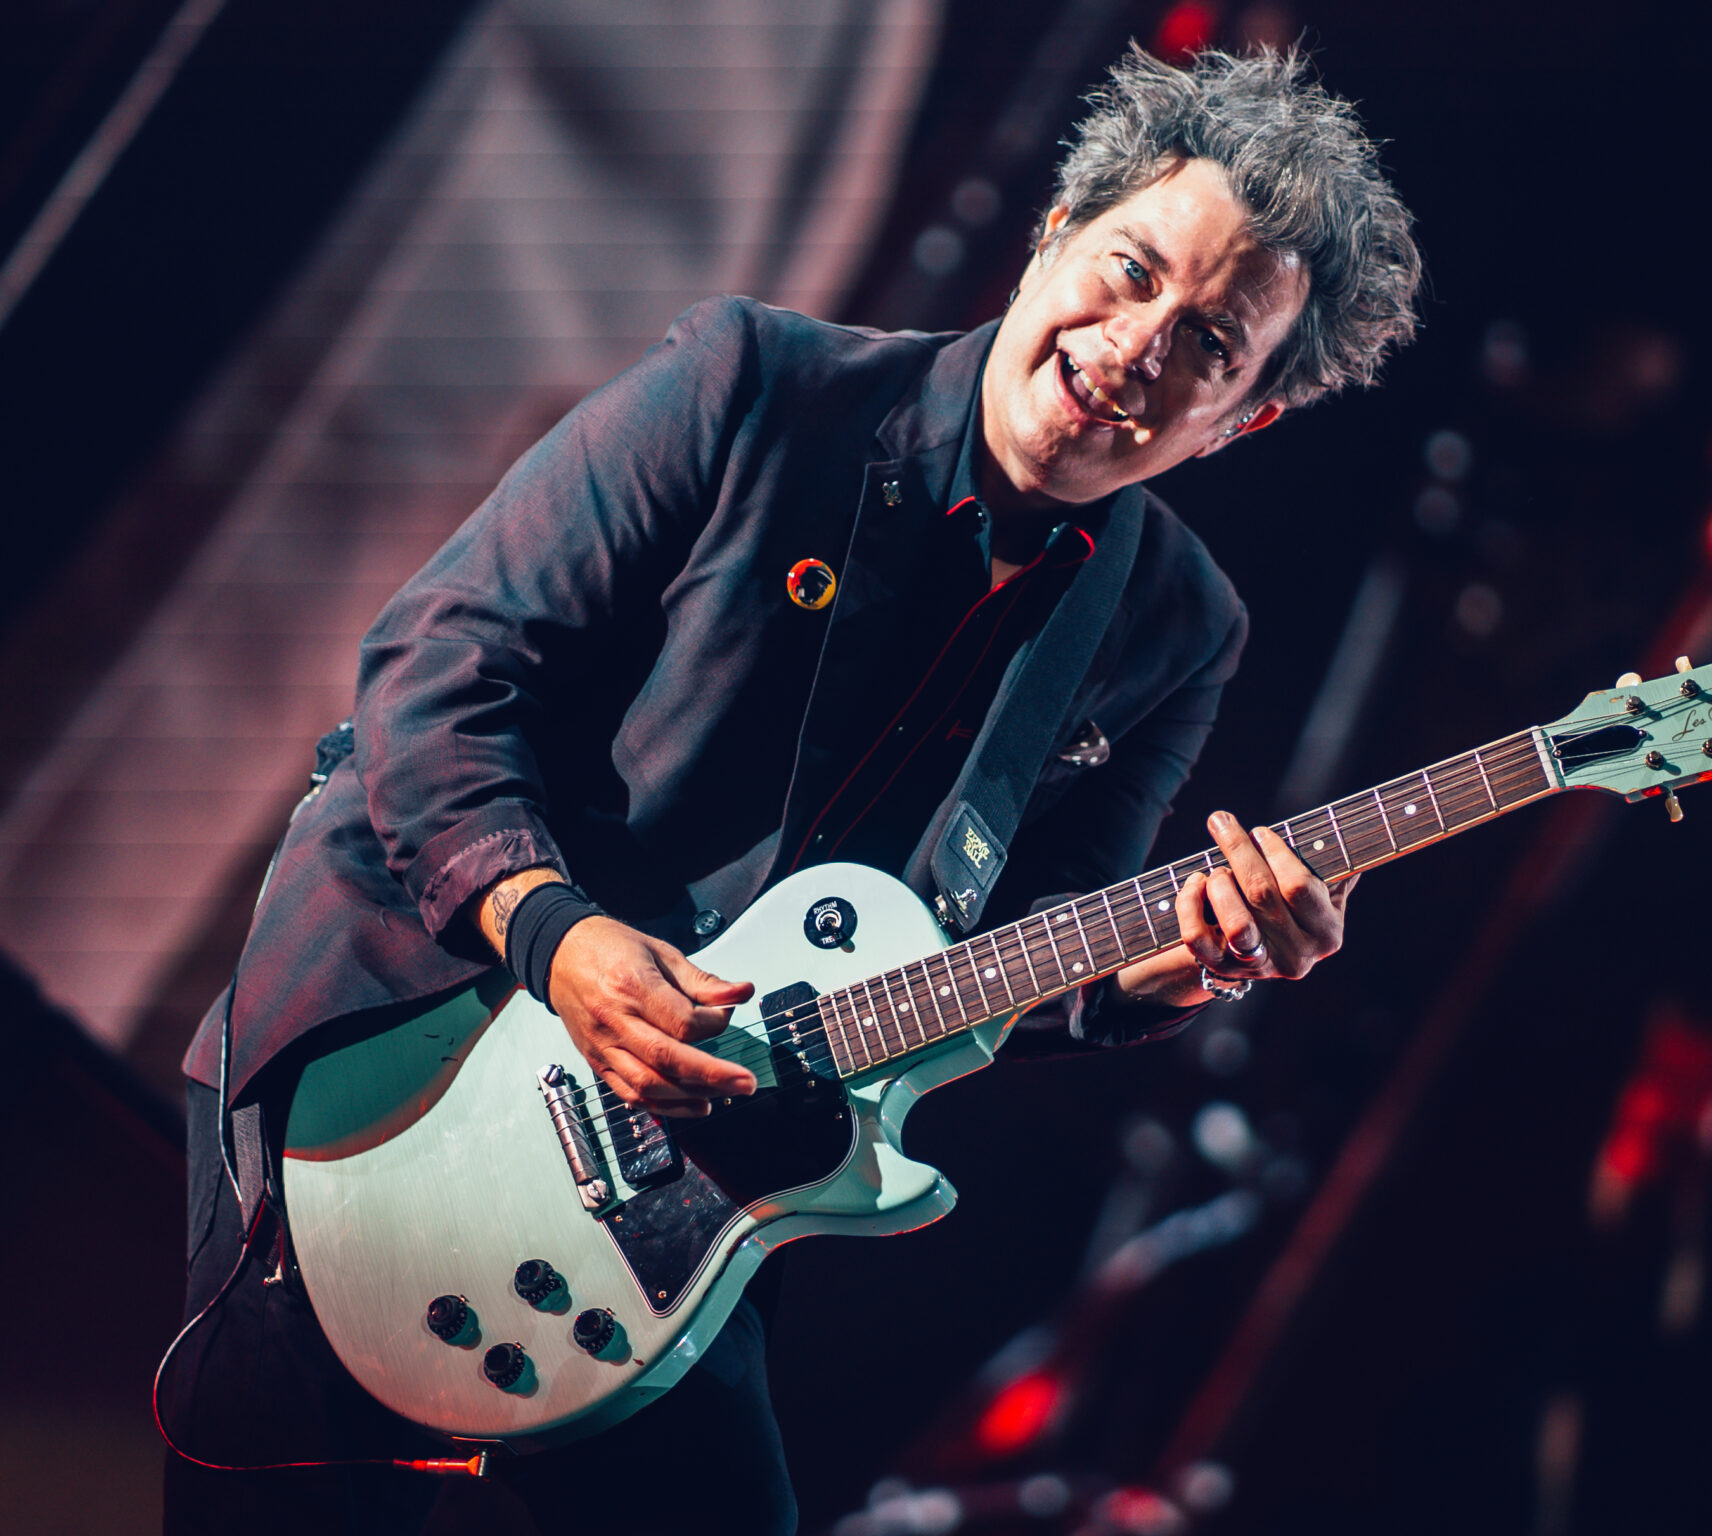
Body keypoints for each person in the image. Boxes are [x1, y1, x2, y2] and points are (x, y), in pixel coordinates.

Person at [159, 43, 1420, 1535]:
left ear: (1241, 419)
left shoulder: (1176, 630)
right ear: (1052, 236)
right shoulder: (753, 383)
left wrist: (1184, 962)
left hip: (686, 1168)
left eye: (1210, 342)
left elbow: (1023, 957)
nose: (1140, 343)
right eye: (1132, 271)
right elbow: (438, 664)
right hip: (421, 1028)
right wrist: (555, 931)